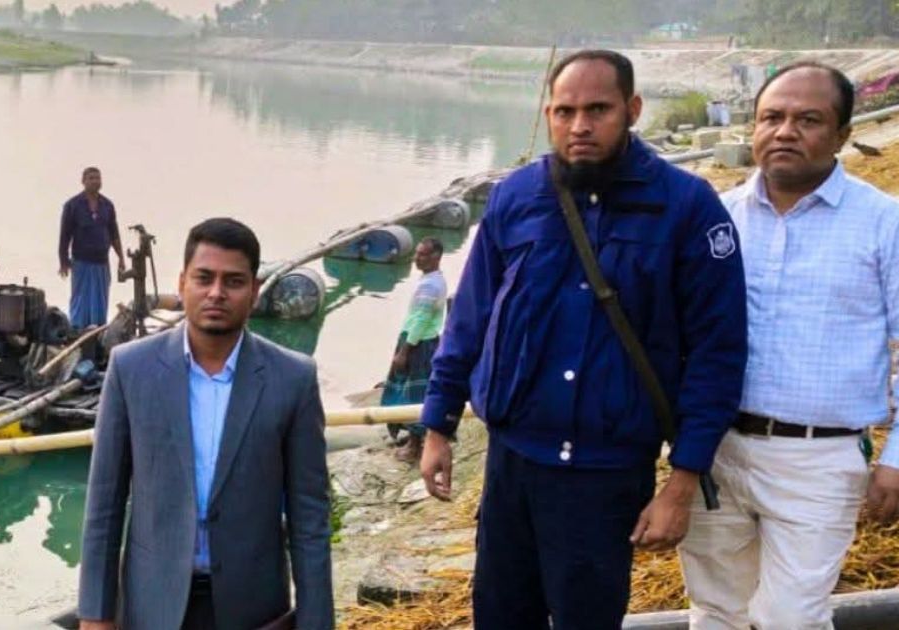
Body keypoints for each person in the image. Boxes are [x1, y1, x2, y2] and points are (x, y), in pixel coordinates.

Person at [418, 50, 748, 629]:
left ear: (632, 110)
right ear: (547, 113)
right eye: (564, 111)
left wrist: (681, 482)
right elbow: (470, 317)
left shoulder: (685, 207)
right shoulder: (516, 197)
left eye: (598, 110)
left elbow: (717, 353)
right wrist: (438, 424)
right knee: (500, 615)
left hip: (607, 474)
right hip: (513, 464)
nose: (579, 126)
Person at [679, 62, 899, 630]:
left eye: (808, 120)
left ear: (842, 135)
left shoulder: (883, 223)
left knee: (792, 618)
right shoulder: (718, 218)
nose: (784, 132)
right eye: (771, 117)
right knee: (715, 610)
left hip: (818, 460)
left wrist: (896, 460)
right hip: (716, 451)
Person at [78, 218, 334, 630]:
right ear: (182, 283)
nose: (216, 292)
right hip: (152, 603)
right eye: (204, 278)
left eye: (233, 281)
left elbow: (310, 518)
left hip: (253, 606)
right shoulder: (131, 369)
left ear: (254, 291)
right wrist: (95, 613)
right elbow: (105, 503)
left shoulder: (293, 379)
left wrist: (317, 622)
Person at [382, 236, 448, 463]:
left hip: (418, 343)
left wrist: (404, 351)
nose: (416, 258)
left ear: (435, 257)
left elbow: (420, 319)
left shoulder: (430, 285)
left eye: (421, 254)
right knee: (412, 391)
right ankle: (413, 438)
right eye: (417, 253)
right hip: (420, 340)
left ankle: (414, 446)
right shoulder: (434, 280)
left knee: (414, 394)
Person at [59, 167, 126, 328]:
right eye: (91, 178)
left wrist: (121, 258)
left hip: (101, 263)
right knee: (80, 299)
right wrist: (63, 262)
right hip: (81, 262)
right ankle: (77, 330)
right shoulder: (72, 205)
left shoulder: (107, 206)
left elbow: (114, 234)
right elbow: (65, 236)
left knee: (100, 299)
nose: (95, 181)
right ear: (83, 181)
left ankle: (99, 330)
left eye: (97, 178)